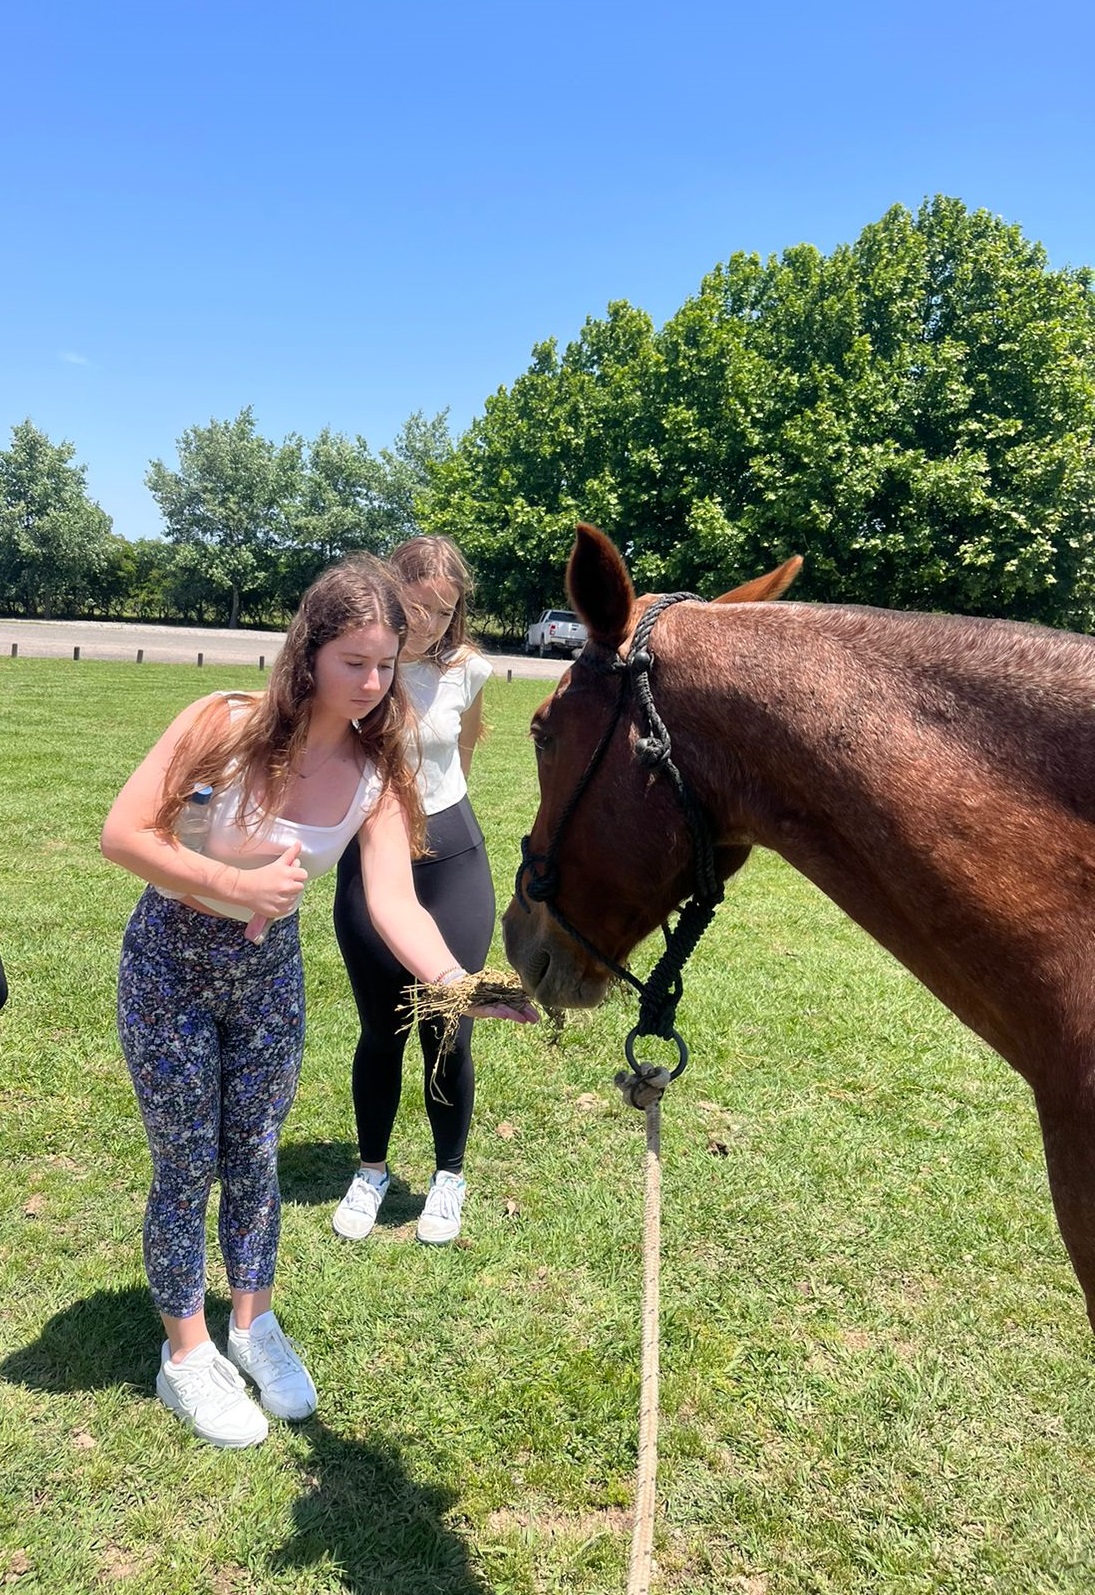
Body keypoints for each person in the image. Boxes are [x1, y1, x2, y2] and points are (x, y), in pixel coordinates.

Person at [101, 555, 535, 1449]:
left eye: (386, 664)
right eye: (356, 662)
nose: (375, 684)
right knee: (189, 1161)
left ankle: (252, 1325)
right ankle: (185, 1355)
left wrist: (459, 984)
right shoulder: (221, 723)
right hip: (170, 969)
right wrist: (230, 880)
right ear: (309, 651)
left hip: (267, 981)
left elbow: (393, 900)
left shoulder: (380, 769)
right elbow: (124, 833)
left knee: (255, 1154)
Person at [331, 535, 495, 1247]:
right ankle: (370, 1171)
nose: (428, 623)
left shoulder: (469, 670)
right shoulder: (363, 668)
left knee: (446, 1022)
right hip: (369, 859)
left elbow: (462, 749)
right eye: (416, 606)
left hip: (451, 858)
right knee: (381, 1029)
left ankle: (447, 1176)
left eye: (444, 609)